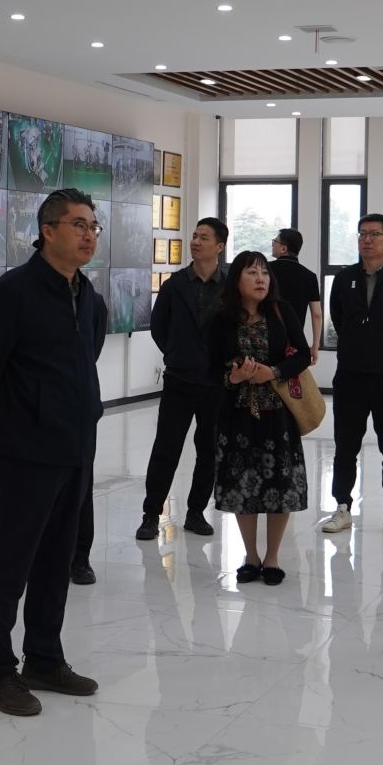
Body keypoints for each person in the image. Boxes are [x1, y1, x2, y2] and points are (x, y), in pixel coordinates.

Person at [0, 188, 107, 717]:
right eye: (79, 225)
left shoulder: (87, 295)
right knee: (12, 561)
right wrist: (2, 429)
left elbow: (86, 359)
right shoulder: (14, 292)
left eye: (93, 226)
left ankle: (44, 659)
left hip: (76, 446)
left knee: (56, 560)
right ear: (48, 231)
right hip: (27, 450)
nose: (90, 234)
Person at [207, 250, 312, 585]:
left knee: (280, 485)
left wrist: (274, 372)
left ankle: (272, 558)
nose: (261, 279)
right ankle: (251, 556)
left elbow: (304, 354)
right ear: (237, 279)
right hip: (237, 415)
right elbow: (209, 367)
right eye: (252, 273)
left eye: (264, 273)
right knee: (244, 485)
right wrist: (233, 377)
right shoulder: (221, 318)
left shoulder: (282, 311)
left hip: (278, 415)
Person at [323, 212, 383, 537]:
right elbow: (338, 316)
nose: (367, 240)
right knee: (345, 445)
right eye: (362, 234)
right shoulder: (344, 278)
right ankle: (342, 507)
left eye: (374, 234)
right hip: (350, 375)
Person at [137, 217, 228, 541]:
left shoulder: (230, 286)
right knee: (166, 449)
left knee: (209, 451)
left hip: (216, 383)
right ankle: (151, 514)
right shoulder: (175, 284)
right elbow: (159, 326)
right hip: (180, 379)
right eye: (194, 236)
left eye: (204, 237)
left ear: (219, 246)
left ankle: (196, 513)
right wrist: (177, 353)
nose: (196, 242)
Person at [267, 227, 323, 365]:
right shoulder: (310, 276)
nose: (272, 244)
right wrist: (315, 346)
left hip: (265, 338)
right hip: (294, 343)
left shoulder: (266, 271)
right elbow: (317, 314)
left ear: (283, 248)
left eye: (275, 242)